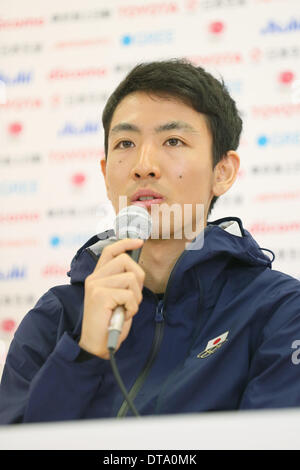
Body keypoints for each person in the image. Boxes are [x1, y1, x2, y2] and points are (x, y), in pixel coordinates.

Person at [1, 58, 300, 424]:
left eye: (173, 140)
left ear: (222, 172)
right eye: (125, 143)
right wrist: (84, 353)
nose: (144, 165)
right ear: (106, 174)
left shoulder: (280, 311)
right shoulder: (55, 318)